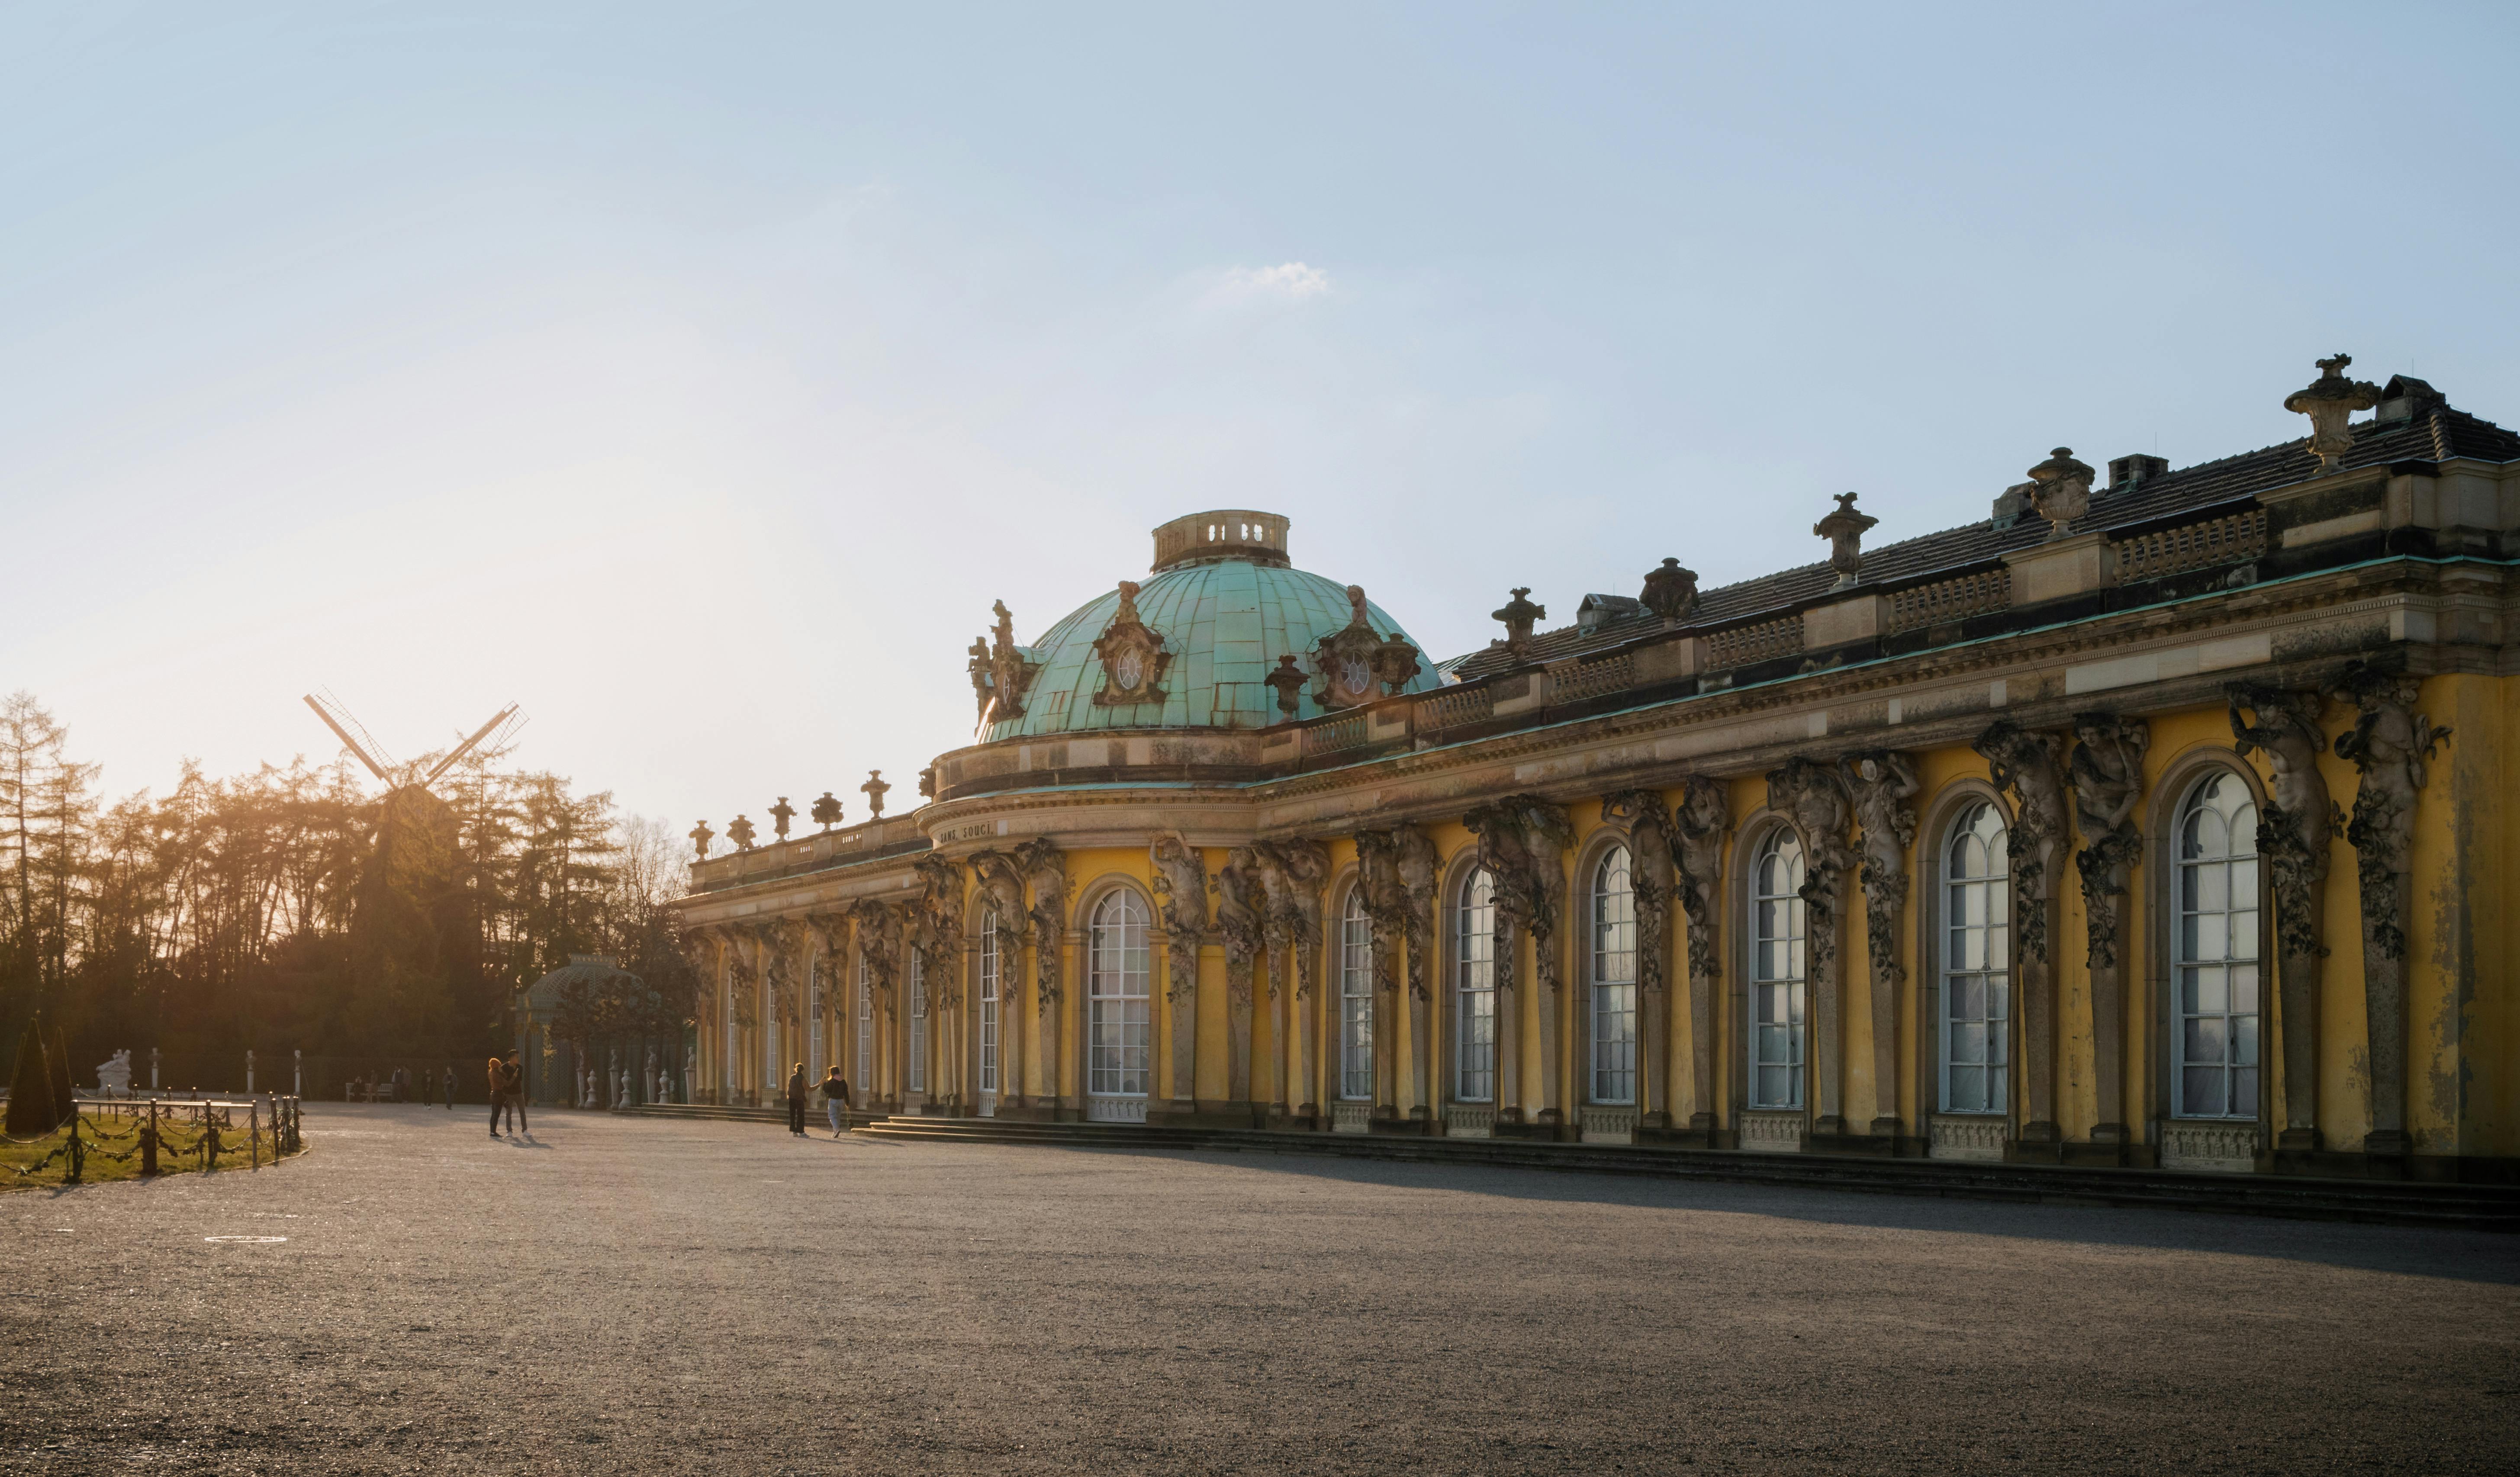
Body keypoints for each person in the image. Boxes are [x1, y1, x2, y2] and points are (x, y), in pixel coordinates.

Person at [820, 1066, 852, 1138]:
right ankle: (835, 1132)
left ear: (832, 1073)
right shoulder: (843, 1081)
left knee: (832, 1116)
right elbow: (846, 1093)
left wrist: (824, 1084)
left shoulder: (832, 1081)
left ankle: (837, 1130)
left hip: (833, 1100)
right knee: (838, 1117)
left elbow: (827, 1091)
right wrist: (847, 1102)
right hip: (841, 1101)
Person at [502, 1055, 529, 1137]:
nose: (518, 1059)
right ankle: (509, 1131)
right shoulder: (504, 1067)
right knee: (508, 1113)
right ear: (511, 1058)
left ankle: (525, 1130)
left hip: (518, 1093)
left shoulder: (520, 1067)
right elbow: (505, 1081)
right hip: (508, 1093)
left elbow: (519, 1079)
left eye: (518, 1057)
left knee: (522, 1112)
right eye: (516, 1057)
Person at [785, 1062, 809, 1137]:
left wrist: (789, 1096)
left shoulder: (792, 1077)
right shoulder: (803, 1079)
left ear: (796, 1069)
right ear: (802, 1070)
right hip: (799, 1099)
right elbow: (809, 1089)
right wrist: (819, 1084)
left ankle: (794, 1132)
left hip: (792, 1098)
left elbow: (789, 1088)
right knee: (801, 1115)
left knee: (792, 1115)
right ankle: (801, 1132)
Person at [487, 1056, 508, 1136]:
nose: (500, 1067)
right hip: (498, 1095)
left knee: (493, 1114)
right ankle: (493, 1132)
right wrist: (501, 1072)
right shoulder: (497, 1074)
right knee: (496, 1115)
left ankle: (492, 1131)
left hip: (493, 1094)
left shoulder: (491, 1073)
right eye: (499, 1065)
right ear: (497, 1066)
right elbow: (504, 1080)